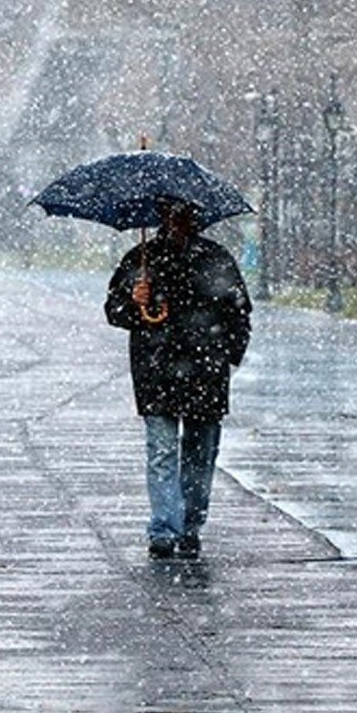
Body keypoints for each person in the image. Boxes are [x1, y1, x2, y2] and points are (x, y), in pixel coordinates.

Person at [105, 197, 251, 559]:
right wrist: (132, 298)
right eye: (171, 215)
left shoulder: (216, 260)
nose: (178, 223)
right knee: (163, 452)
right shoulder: (142, 260)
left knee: (200, 454)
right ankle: (164, 529)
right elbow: (114, 310)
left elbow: (239, 313)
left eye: (184, 216)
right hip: (157, 371)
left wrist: (226, 357)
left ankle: (189, 525)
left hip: (205, 373)